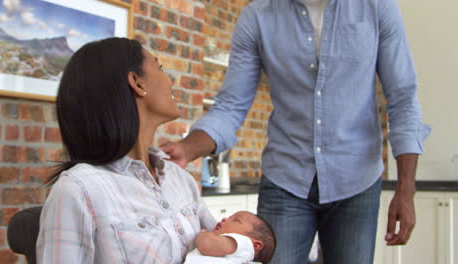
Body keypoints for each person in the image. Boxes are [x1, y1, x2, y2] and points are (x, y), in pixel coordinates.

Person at [160, 0, 431, 263]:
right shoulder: (257, 16)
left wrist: (406, 189)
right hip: (285, 181)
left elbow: (403, 97)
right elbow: (230, 106)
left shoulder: (376, 6)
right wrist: (187, 148)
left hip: (357, 181)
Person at [36, 37, 216, 264]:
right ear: (138, 83)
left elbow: (227, 243)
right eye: (160, 68)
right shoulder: (78, 189)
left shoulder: (180, 179)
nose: (171, 81)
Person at [184, 211, 276, 264]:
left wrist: (203, 235)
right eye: (229, 217)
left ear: (255, 245)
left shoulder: (245, 244)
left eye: (236, 220)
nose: (225, 219)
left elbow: (206, 244)